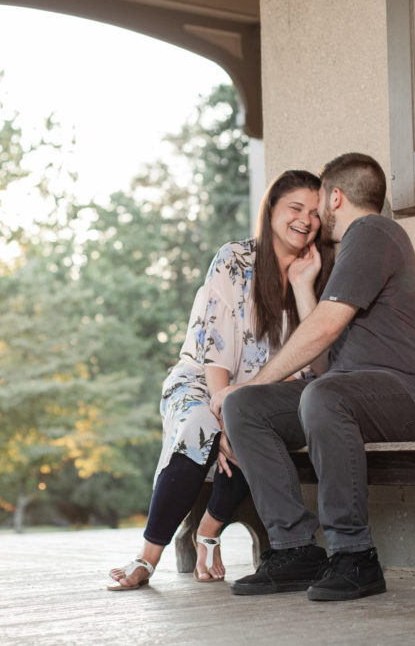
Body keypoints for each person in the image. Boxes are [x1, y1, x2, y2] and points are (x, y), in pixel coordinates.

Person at [211, 152, 415, 602]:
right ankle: (295, 548)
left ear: (335, 196)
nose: (316, 213)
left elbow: (324, 330)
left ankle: (355, 555)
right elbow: (325, 362)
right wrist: (305, 287)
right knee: (245, 408)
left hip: (411, 397)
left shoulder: (374, 232)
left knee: (311, 397)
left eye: (319, 198)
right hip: (356, 393)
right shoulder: (355, 252)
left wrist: (252, 379)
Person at [108, 170, 332, 590]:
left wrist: (304, 287)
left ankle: (207, 530)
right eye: (295, 208)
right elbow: (214, 349)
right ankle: (146, 557)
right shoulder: (235, 258)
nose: (306, 219)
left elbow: (318, 367)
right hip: (202, 381)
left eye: (315, 213)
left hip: (260, 395)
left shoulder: (316, 271)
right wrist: (225, 412)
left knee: (256, 428)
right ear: (271, 211)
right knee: (202, 427)